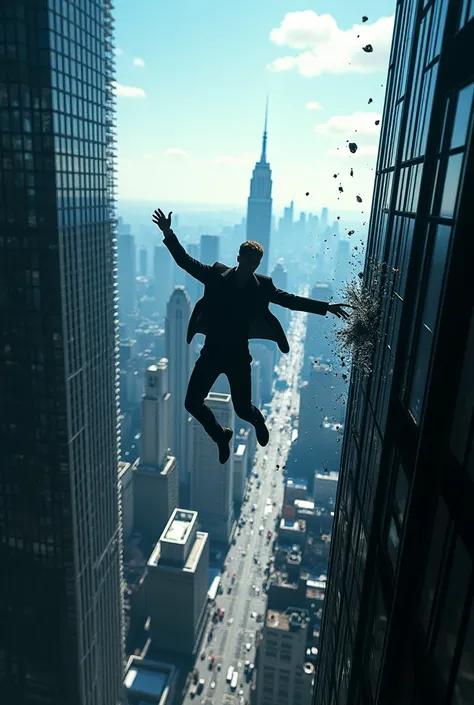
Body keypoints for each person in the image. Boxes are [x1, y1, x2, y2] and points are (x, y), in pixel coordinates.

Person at [152, 208, 350, 464]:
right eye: (248, 261)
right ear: (238, 258)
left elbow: (289, 301)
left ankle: (258, 420)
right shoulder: (216, 274)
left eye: (255, 263)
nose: (251, 266)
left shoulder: (262, 286)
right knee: (192, 402)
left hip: (237, 357)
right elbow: (185, 261)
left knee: (243, 410)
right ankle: (221, 436)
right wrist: (168, 232)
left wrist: (326, 307)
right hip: (211, 353)